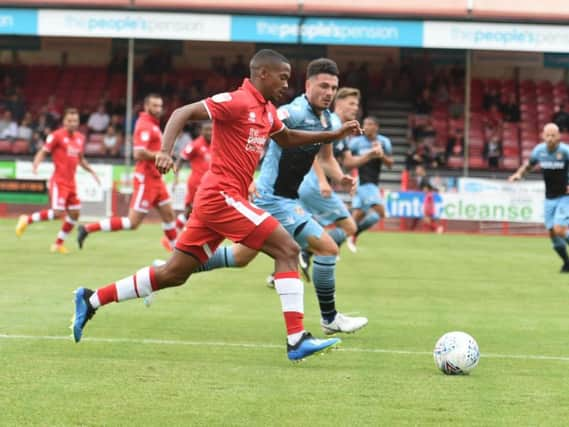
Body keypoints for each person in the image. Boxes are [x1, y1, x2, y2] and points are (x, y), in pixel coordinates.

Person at [72, 49, 363, 361]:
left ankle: (91, 299)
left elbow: (289, 138)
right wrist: (166, 151)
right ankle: (297, 339)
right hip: (221, 196)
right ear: (262, 74)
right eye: (282, 77)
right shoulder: (237, 101)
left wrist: (334, 132)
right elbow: (181, 112)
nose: (286, 84)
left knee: (173, 273)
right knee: (288, 250)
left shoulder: (266, 111)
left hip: (222, 200)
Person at [182, 59, 369, 336]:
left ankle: (174, 268)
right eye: (323, 86)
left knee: (239, 257)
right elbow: (258, 129)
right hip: (273, 199)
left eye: (333, 87)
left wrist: (340, 177)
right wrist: (251, 177)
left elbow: (326, 159)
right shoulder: (291, 112)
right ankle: (329, 318)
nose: (329, 92)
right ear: (308, 85)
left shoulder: (329, 120)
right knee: (328, 248)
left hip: (287, 199)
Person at [77, 94, 178, 252]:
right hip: (146, 180)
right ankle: (87, 229)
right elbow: (138, 153)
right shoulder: (145, 125)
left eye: (160, 106)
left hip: (156, 179)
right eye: (155, 106)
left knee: (169, 216)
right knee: (132, 223)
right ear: (146, 106)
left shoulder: (153, 124)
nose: (158, 109)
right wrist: (160, 155)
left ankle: (177, 255)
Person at [298, 87, 382, 257]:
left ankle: (283, 270)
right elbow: (313, 153)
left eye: (357, 104)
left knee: (301, 230)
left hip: (308, 183)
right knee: (349, 227)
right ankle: (306, 252)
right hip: (312, 183)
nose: (355, 108)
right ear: (339, 103)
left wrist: (370, 155)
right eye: (351, 103)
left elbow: (349, 162)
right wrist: (322, 181)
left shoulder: (343, 130)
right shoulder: (332, 124)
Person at [15, 108, 100, 253]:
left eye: (75, 121)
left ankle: (58, 243)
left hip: (71, 183)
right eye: (69, 121)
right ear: (63, 122)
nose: (73, 124)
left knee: (75, 214)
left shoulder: (80, 138)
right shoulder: (56, 136)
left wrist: (92, 171)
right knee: (57, 212)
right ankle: (26, 219)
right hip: (59, 182)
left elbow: (80, 159)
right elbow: (43, 151)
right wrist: (36, 163)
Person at [509, 123, 569, 272]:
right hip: (549, 198)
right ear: (543, 136)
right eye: (547, 135)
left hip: (565, 196)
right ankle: (567, 263)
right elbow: (529, 165)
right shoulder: (539, 151)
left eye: (553, 135)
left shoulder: (565, 152)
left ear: (559, 137)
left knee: (559, 229)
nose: (550, 138)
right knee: (553, 234)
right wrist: (519, 174)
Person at [347, 116, 394, 249]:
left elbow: (390, 163)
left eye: (370, 124)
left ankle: (338, 242)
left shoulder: (384, 142)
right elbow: (346, 160)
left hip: (371, 183)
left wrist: (381, 154)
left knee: (354, 219)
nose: (366, 127)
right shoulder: (356, 142)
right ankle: (354, 234)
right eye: (364, 124)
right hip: (363, 183)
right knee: (381, 212)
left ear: (376, 127)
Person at [174, 122, 212, 231]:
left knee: (197, 211)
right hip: (196, 183)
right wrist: (176, 178)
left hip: (210, 184)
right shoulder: (195, 144)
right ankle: (174, 235)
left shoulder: (216, 144)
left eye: (212, 130)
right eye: (207, 130)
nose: (210, 132)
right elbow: (181, 159)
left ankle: (179, 234)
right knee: (190, 210)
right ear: (201, 131)